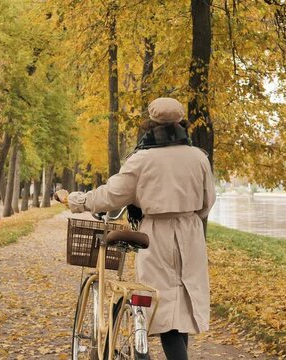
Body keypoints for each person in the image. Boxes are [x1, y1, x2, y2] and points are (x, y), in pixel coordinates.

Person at [65, 97, 216, 360]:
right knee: (182, 307)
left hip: (156, 234)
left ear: (151, 123)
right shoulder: (198, 158)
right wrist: (187, 216)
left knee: (159, 305)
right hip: (191, 234)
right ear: (181, 123)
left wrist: (75, 200)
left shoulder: (142, 159)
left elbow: (110, 196)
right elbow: (207, 202)